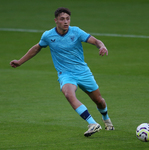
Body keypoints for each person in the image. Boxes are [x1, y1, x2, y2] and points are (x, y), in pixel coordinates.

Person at [10, 7, 114, 137]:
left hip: (83, 72)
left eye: (68, 19)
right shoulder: (48, 35)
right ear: (56, 21)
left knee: (99, 101)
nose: (66, 22)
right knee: (68, 94)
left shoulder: (76, 32)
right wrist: (20, 62)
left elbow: (95, 41)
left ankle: (106, 119)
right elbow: (37, 48)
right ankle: (92, 123)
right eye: (62, 19)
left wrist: (102, 46)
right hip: (66, 74)